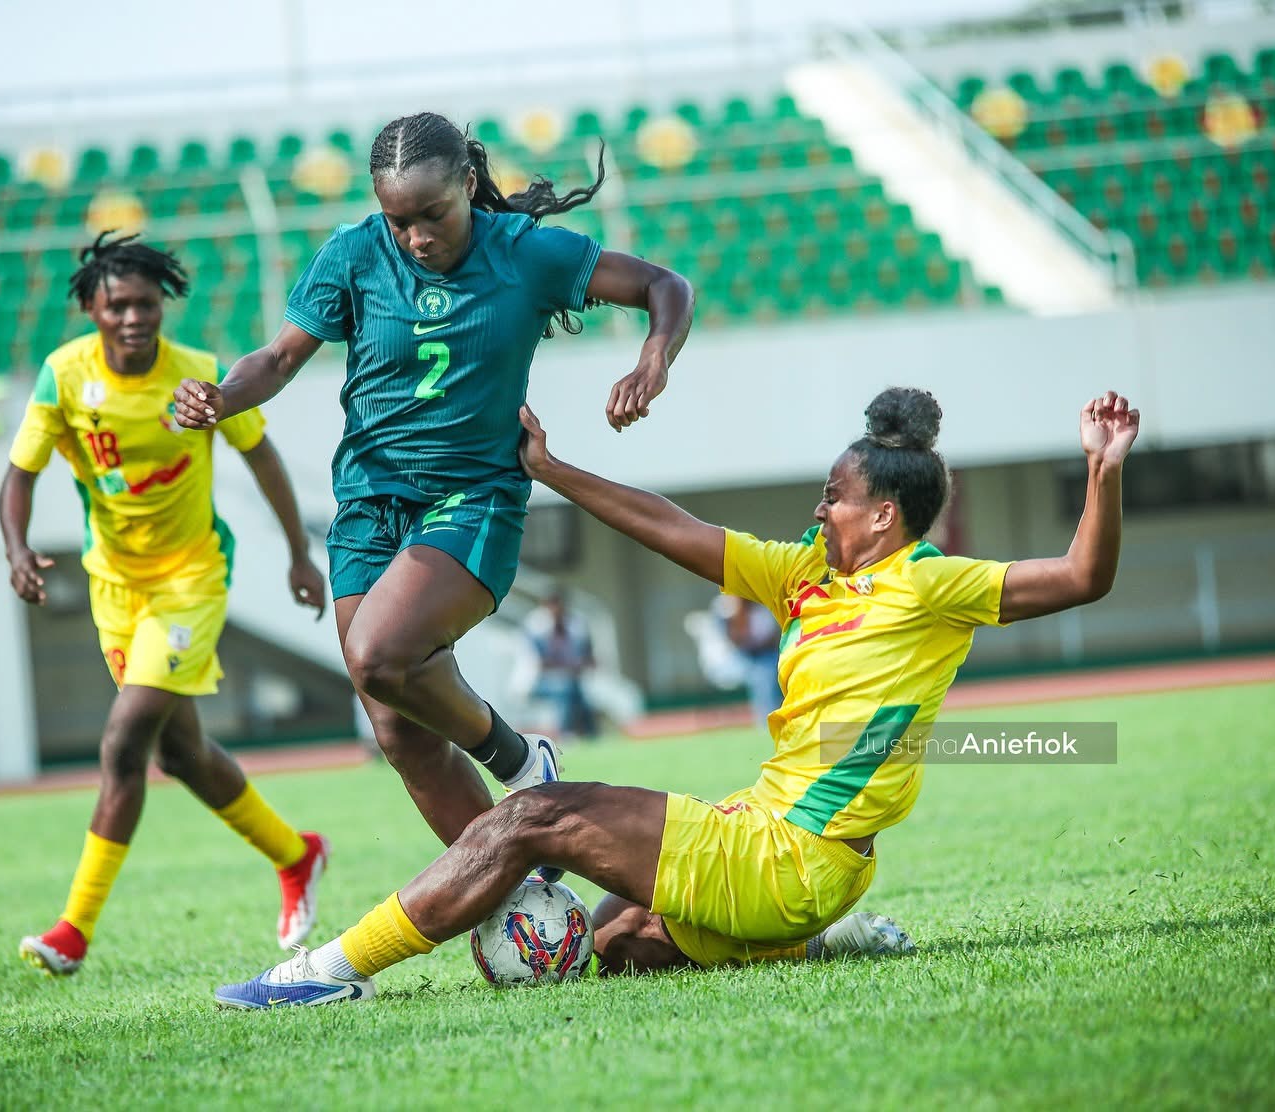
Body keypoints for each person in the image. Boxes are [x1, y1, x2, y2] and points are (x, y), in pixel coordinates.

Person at [211, 386, 1139, 1005]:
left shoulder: (934, 583)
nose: (819, 511)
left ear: (884, 514)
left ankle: (328, 972)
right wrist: (554, 471)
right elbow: (674, 528)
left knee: (532, 813)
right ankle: (819, 943)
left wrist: (1102, 469)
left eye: (833, 498)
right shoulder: (806, 575)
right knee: (617, 948)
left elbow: (1081, 577)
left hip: (788, 856)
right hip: (781, 849)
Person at [174, 112, 694, 855]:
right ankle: (516, 901)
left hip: (473, 500)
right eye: (399, 220)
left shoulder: (526, 253)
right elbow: (279, 358)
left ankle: (521, 761)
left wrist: (654, 360)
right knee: (395, 724)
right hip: (367, 505)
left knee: (380, 657)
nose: (417, 236)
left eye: (433, 215)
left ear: (469, 185)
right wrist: (222, 395)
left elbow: (662, 285)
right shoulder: (354, 254)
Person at [0, 232, 331, 977]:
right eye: (117, 304)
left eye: (147, 304)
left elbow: (261, 455)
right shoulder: (63, 378)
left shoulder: (201, 375)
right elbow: (18, 474)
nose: (133, 317)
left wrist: (299, 554)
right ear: (91, 306)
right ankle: (295, 853)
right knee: (181, 753)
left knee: (125, 744)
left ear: (163, 307)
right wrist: (17, 549)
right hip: (115, 587)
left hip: (191, 579)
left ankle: (72, 931)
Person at [523, 591, 598, 739]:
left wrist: (580, 664)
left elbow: (588, 656)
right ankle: (566, 734)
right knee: (566, 689)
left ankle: (591, 735)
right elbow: (541, 664)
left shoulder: (574, 624)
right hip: (537, 682)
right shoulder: (536, 627)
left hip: (572, 679)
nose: (556, 610)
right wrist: (571, 665)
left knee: (580, 694)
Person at [716, 594, 783, 725]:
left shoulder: (762, 607)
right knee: (761, 674)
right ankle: (766, 721)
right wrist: (739, 613)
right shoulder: (726, 607)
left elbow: (769, 640)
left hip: (764, 656)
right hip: (735, 658)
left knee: (766, 671)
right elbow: (734, 640)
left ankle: (771, 719)